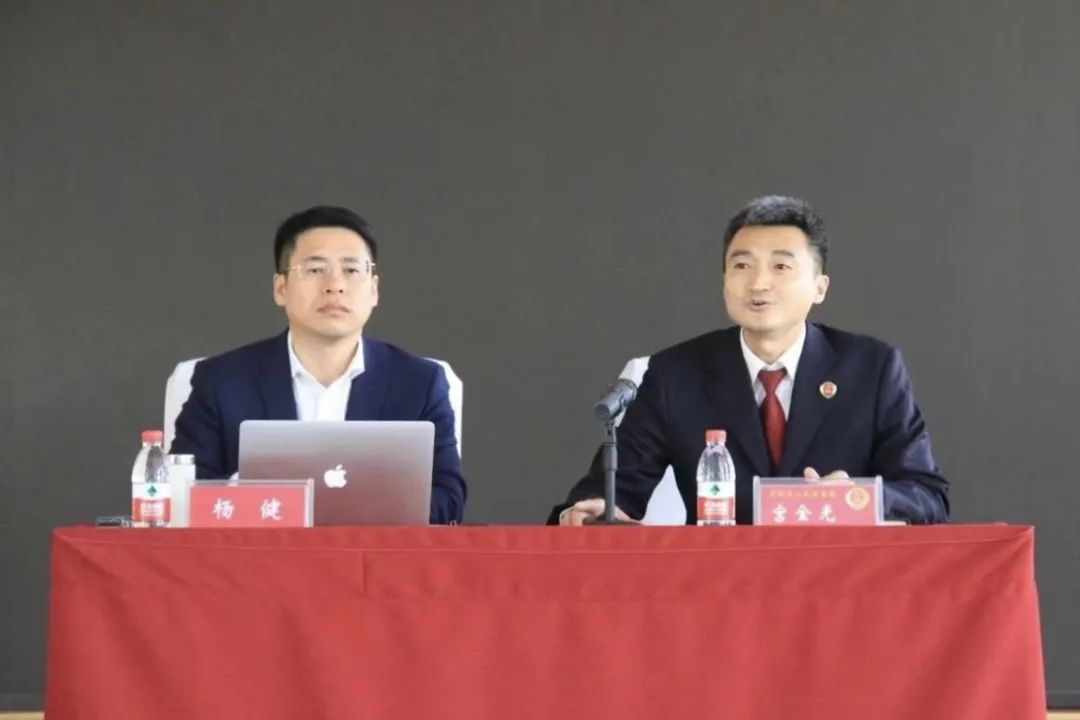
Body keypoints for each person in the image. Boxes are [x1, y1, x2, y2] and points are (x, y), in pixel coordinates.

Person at [551, 195, 948, 526]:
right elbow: (613, 491)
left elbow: (927, 495)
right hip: (719, 581)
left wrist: (858, 499)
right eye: (741, 266)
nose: (758, 283)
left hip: (839, 578)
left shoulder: (870, 368)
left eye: (781, 266)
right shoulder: (675, 374)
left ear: (819, 287)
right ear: (724, 280)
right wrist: (595, 508)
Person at [172, 205, 466, 524]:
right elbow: (182, 495)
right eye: (315, 269)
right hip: (262, 554)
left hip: (372, 554)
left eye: (351, 270)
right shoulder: (221, 381)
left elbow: (448, 499)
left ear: (374, 290)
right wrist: (251, 494)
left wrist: (364, 508)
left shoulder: (419, 383)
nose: (334, 284)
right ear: (281, 288)